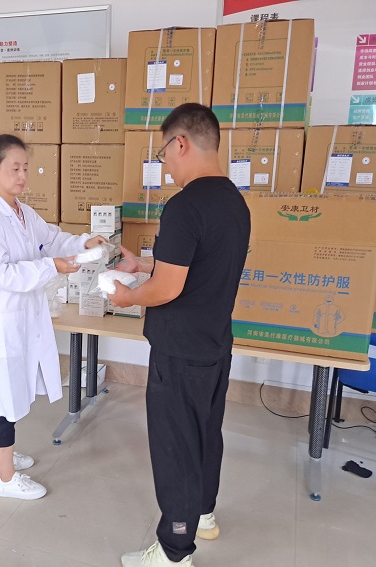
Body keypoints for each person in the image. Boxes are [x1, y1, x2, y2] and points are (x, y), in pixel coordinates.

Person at [109, 104, 251, 566]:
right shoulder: (233, 201)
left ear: (181, 143)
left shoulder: (185, 205)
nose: (165, 164)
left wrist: (127, 296)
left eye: (164, 153)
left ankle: (173, 551)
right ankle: (203, 514)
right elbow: (194, 264)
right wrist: (142, 265)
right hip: (214, 344)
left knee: (176, 446)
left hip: (180, 351)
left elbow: (168, 288)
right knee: (206, 433)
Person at [0, 134, 106, 501]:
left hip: (25, 317)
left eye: (25, 168)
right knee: (4, 394)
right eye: (14, 168)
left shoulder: (23, 213)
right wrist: (51, 266)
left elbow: (52, 239)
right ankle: (7, 479)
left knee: (12, 389)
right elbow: (3, 274)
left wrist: (83, 242)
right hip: (5, 320)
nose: (22, 175)